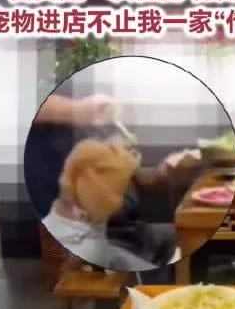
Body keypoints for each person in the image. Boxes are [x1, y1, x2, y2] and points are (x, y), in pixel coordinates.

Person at [25, 90, 201, 269]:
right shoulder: (74, 149)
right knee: (160, 276)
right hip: (94, 240)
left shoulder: (104, 133)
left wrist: (165, 171)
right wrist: (79, 110)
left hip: (132, 230)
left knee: (194, 236)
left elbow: (138, 178)